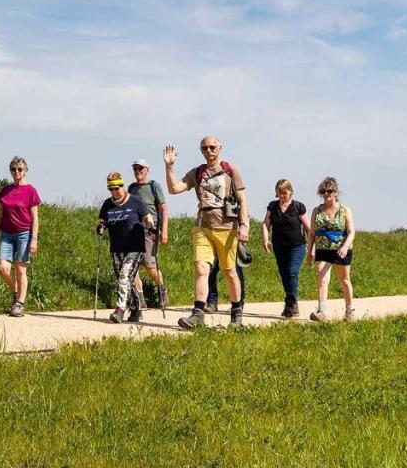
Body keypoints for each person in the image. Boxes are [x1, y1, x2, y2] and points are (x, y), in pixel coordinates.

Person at [164, 136, 250, 329]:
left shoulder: (231, 171)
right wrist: (169, 167)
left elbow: (243, 199)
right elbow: (174, 189)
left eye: (212, 147)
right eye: (204, 148)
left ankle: (236, 315)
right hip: (203, 227)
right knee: (201, 269)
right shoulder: (197, 173)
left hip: (227, 229)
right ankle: (198, 314)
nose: (208, 151)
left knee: (229, 272)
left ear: (220, 148)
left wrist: (244, 225)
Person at [98, 172, 157, 323]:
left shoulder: (135, 201)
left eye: (116, 188)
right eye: (110, 189)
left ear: (122, 186)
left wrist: (151, 227)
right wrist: (100, 227)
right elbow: (103, 221)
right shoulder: (107, 204)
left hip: (135, 246)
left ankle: (119, 310)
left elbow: (147, 217)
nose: (114, 192)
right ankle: (136, 308)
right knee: (124, 279)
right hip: (117, 247)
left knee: (124, 276)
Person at [0, 156, 40, 317]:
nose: (16, 172)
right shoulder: (6, 190)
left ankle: (19, 303)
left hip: (24, 233)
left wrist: (34, 239)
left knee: (20, 269)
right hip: (6, 234)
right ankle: (16, 290)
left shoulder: (30, 191)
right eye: (13, 169)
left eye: (19, 169)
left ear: (25, 171)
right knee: (3, 268)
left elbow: (35, 218)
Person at [308, 176, 356, 322]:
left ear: (335, 192)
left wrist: (345, 246)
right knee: (322, 279)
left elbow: (351, 231)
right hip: (323, 249)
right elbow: (311, 233)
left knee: (344, 279)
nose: (326, 194)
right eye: (323, 191)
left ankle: (349, 311)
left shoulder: (344, 210)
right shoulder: (317, 211)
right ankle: (321, 311)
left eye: (329, 191)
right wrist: (310, 250)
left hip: (341, 249)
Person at [262, 179, 310, 318]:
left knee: (292, 272)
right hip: (279, 247)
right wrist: (266, 239)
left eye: (285, 192)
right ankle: (293, 303)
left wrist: (312, 245)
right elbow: (265, 225)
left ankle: (290, 303)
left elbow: (308, 228)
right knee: (284, 275)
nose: (282, 195)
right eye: (280, 193)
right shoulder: (272, 206)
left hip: (297, 246)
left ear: (290, 191)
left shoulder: (298, 206)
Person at [127, 159, 168, 309]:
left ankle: (162, 290)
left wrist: (164, 232)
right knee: (133, 267)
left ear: (147, 170)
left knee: (150, 267)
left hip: (150, 232)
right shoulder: (131, 188)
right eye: (135, 168)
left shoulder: (153, 186)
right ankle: (140, 299)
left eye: (140, 168)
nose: (137, 171)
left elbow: (163, 209)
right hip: (133, 233)